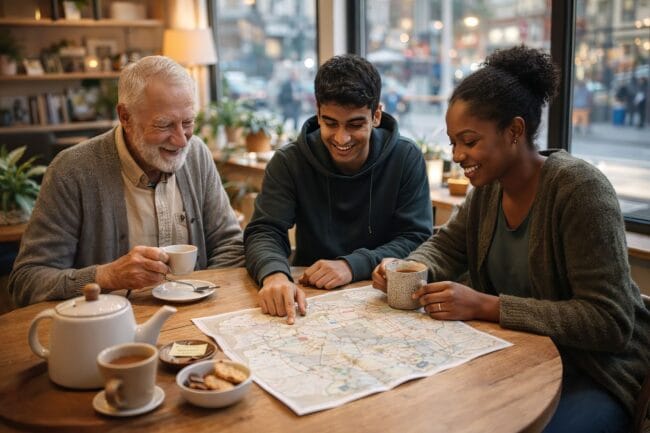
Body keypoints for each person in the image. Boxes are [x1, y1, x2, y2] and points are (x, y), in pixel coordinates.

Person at [372, 46, 649, 433]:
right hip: (515, 361)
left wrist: (487, 305)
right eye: (453, 142)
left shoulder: (579, 190)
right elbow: (446, 246)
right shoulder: (487, 190)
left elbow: (610, 321)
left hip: (594, 374)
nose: (457, 154)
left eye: (468, 141)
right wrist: (407, 268)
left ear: (515, 131)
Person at [9, 56, 245, 306]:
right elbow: (27, 280)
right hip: (107, 330)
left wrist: (199, 294)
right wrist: (107, 276)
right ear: (125, 116)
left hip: (194, 322)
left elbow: (230, 245)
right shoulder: (72, 170)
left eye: (188, 122)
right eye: (164, 125)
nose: (181, 140)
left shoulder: (196, 154)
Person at [245, 54, 433, 324]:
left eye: (355, 124)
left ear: (376, 115)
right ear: (318, 113)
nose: (341, 138)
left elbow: (416, 237)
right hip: (311, 297)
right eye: (330, 123)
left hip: (382, 299)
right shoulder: (289, 161)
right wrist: (274, 274)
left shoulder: (405, 157)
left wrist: (351, 265)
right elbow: (265, 231)